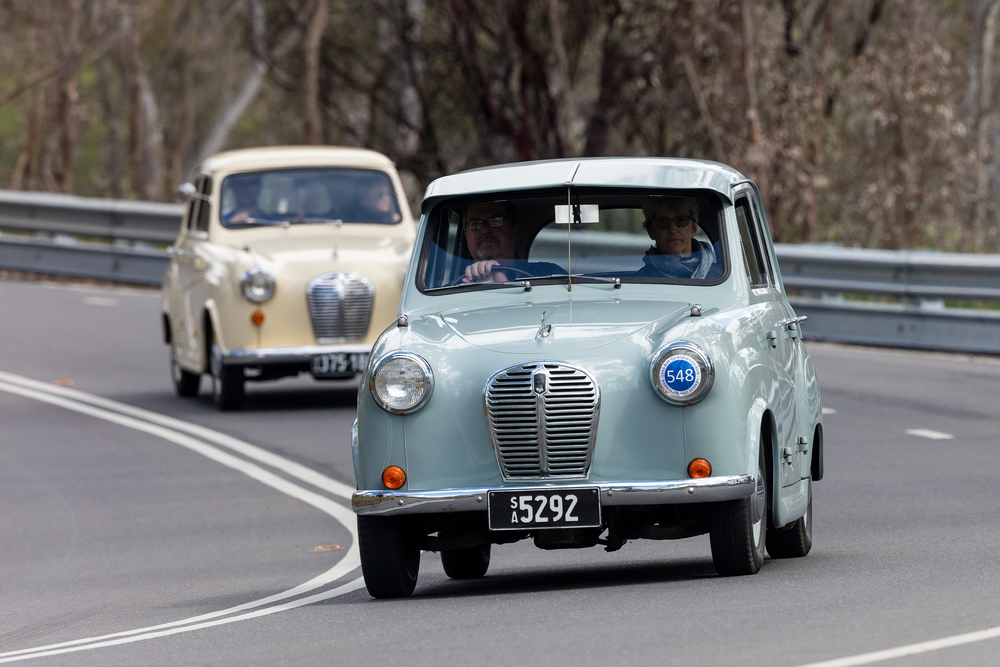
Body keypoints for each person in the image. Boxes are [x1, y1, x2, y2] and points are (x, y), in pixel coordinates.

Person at [636, 196, 721, 279]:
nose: (672, 229)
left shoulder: (719, 278)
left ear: (694, 228)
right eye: (662, 222)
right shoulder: (641, 280)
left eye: (680, 220)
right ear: (651, 232)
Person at [462, 201, 521, 283]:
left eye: (496, 221)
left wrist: (502, 283)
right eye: (475, 224)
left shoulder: (543, 275)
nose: (485, 230)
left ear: (515, 232)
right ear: (466, 236)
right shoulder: (450, 290)